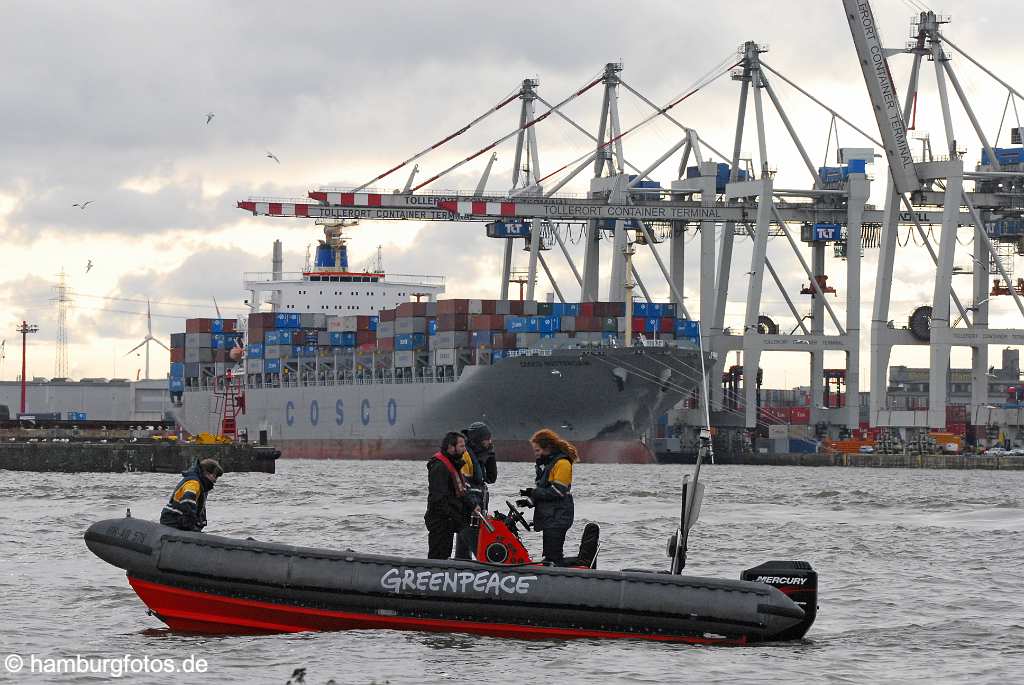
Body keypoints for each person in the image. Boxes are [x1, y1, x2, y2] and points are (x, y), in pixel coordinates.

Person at [519, 429, 579, 564]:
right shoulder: (547, 465)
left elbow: (557, 492)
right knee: (549, 554)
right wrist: (529, 501)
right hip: (550, 517)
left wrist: (533, 492)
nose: (536, 454)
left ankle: (570, 571)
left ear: (548, 448)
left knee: (553, 555)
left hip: (559, 517)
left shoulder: (562, 463)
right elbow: (544, 489)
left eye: (538, 451)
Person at [425, 432, 475, 560]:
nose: (465, 450)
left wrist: (473, 506)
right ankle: (432, 575)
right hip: (440, 520)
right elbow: (438, 499)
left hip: (449, 520)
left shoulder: (452, 463)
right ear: (451, 447)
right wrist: (453, 515)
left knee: (445, 553)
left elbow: (460, 491)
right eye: (462, 446)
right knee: (438, 555)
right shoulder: (440, 467)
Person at [454, 421, 498, 559]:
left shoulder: (481, 455)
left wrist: (491, 455)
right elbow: (463, 485)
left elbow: (491, 478)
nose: (489, 442)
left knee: (463, 553)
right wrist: (473, 505)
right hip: (469, 512)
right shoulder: (466, 456)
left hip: (475, 512)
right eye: (487, 439)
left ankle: (461, 570)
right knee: (481, 552)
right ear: (478, 440)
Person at [160, 458, 223, 532]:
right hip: (173, 522)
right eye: (215, 476)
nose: (215, 480)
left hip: (179, 522)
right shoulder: (193, 483)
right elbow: (188, 502)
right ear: (206, 472)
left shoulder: (201, 486)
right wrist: (190, 526)